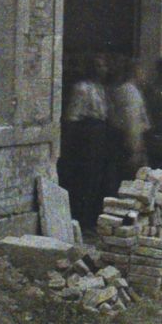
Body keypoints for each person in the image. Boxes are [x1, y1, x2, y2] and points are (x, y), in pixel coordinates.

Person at [60, 70, 113, 229]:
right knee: (84, 180)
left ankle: (90, 220)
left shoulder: (101, 88)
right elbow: (72, 116)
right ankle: (81, 221)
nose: (101, 69)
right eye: (97, 65)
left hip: (100, 135)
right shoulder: (82, 87)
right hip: (87, 137)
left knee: (97, 179)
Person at [107, 58, 152, 183]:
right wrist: (135, 149)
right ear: (136, 72)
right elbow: (132, 122)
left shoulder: (132, 90)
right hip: (127, 145)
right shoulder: (129, 92)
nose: (145, 76)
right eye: (143, 72)